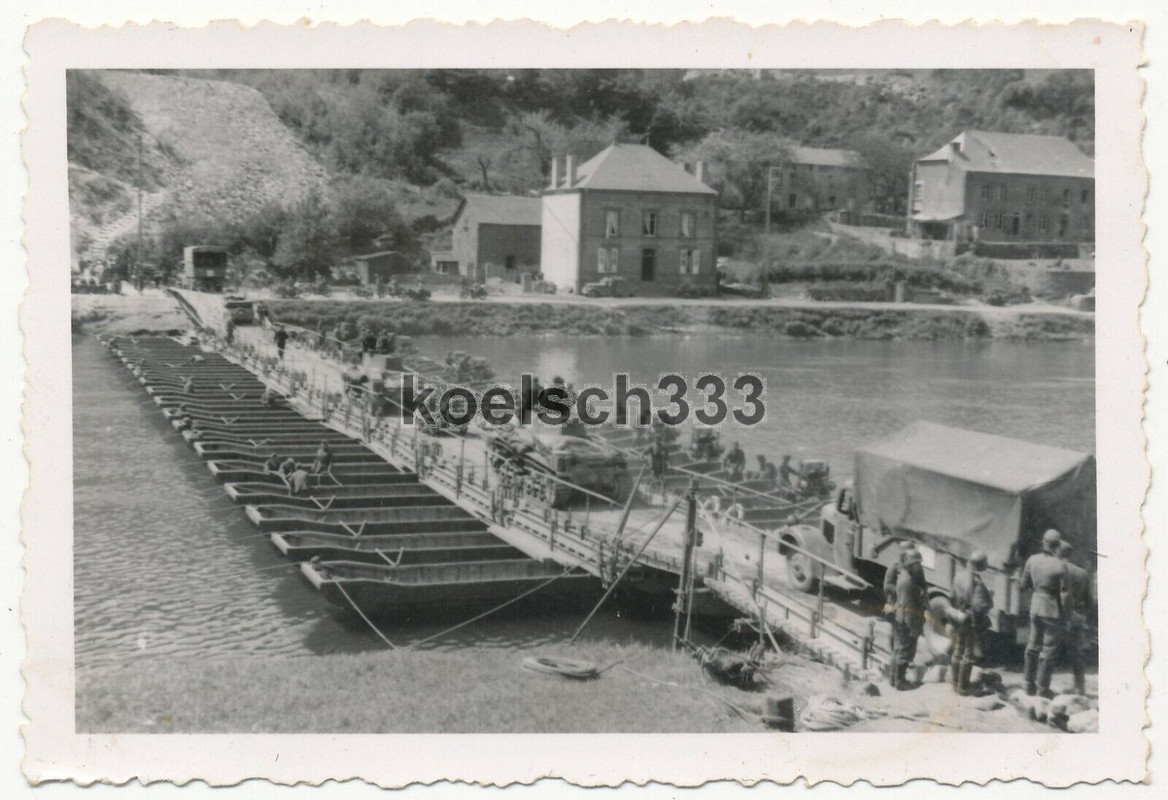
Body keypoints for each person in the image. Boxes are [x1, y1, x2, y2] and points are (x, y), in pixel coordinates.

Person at [1021, 529, 1069, 698]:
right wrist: (1064, 613)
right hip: (1051, 609)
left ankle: (1028, 684)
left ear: (1043, 542)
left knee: (1032, 646)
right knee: (1048, 650)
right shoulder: (1060, 565)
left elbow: (1023, 584)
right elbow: (1064, 592)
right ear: (1057, 545)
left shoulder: (1031, 560)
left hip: (1035, 606)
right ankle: (1043, 688)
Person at [949, 549, 994, 696]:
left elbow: (952, 596)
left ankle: (955, 683)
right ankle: (963, 687)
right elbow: (981, 606)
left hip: (959, 617)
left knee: (958, 650)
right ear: (981, 565)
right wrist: (990, 597)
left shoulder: (958, 576)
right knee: (969, 655)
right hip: (972, 621)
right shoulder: (977, 583)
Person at [1058, 541, 1092, 696]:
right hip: (1077, 615)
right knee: (1076, 653)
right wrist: (1082, 614)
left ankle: (1042, 689)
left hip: (1058, 614)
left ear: (1058, 552)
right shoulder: (1082, 573)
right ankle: (1079, 687)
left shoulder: (1057, 570)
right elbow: (1089, 600)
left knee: (1048, 650)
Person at [892, 547, 928, 690]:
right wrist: (913, 628)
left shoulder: (905, 576)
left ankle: (894, 679)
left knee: (900, 649)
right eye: (916, 564)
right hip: (906, 621)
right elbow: (908, 607)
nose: (918, 566)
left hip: (901, 619)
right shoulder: (907, 581)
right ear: (909, 564)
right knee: (905, 651)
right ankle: (900, 682)